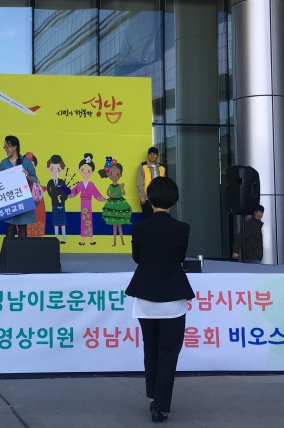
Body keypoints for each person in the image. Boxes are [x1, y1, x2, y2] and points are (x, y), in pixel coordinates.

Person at [125, 176, 194, 423]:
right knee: (169, 353)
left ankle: (155, 396)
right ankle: (160, 406)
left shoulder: (140, 227)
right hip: (173, 297)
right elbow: (180, 258)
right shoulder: (182, 228)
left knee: (151, 349)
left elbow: (137, 258)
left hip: (145, 296)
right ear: (174, 199)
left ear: (150, 198)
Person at [0, 136, 37, 238]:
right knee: (10, 226)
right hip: (10, 199)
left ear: (15, 147)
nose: (6, 149)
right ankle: (9, 249)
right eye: (5, 147)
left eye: (7, 147)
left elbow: (35, 180)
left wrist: (27, 175)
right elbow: (1, 182)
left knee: (22, 227)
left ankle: (22, 249)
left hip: (24, 198)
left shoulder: (26, 162)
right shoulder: (4, 163)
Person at [69, 153, 106, 245]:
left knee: (89, 220)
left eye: (88, 170)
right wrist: (66, 194)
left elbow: (96, 194)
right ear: (79, 170)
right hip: (83, 203)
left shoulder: (91, 184)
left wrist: (104, 199)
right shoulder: (80, 184)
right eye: (83, 170)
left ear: (92, 172)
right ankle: (82, 240)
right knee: (83, 220)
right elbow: (74, 192)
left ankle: (91, 240)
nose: (85, 172)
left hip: (88, 203)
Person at [98, 158, 132, 246]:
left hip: (120, 204)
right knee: (114, 225)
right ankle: (114, 242)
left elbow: (123, 193)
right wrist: (119, 189)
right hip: (112, 205)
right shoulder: (110, 186)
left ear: (120, 175)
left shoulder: (120, 185)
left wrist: (122, 188)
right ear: (108, 174)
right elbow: (110, 195)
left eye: (117, 173)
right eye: (111, 173)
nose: (114, 175)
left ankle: (122, 241)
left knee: (119, 225)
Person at [46, 154, 71, 244]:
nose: (55, 170)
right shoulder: (50, 182)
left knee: (63, 224)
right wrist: (56, 195)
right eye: (52, 168)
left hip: (62, 204)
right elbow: (50, 192)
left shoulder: (62, 182)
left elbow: (67, 192)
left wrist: (62, 196)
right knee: (55, 224)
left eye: (58, 169)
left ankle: (64, 238)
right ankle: (56, 238)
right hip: (54, 204)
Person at [136, 147, 166, 219]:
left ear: (157, 155)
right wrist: (142, 196)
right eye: (150, 154)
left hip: (159, 197)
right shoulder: (143, 166)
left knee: (159, 218)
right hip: (147, 197)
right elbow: (139, 181)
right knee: (148, 217)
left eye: (154, 154)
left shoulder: (162, 167)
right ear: (148, 155)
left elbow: (164, 182)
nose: (152, 156)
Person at [25, 152, 47, 237]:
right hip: (25, 203)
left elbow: (39, 185)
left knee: (38, 220)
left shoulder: (34, 179)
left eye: (31, 165)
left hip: (37, 202)